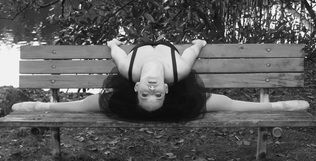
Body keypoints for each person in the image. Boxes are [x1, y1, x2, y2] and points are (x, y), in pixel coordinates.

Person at [12, 39, 310, 121]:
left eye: (146, 95)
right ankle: (281, 106)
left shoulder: (129, 70)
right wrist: (197, 44)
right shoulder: (176, 72)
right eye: (157, 95)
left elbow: (116, 54)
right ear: (167, 89)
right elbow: (192, 54)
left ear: (137, 88)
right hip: (172, 59)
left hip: (133, 59)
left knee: (85, 105)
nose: (152, 90)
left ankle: (37, 107)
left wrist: (114, 44)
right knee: (226, 104)